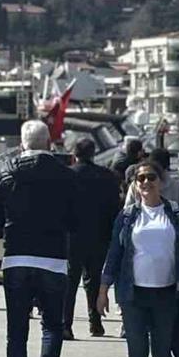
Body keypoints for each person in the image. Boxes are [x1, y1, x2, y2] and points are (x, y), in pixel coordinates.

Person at [0, 120, 78, 357]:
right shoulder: (66, 176)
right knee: (52, 328)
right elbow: (75, 222)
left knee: (16, 335)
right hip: (53, 261)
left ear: (22, 144)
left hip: (17, 260)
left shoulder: (7, 175)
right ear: (49, 143)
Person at [97, 160, 179, 357]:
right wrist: (103, 290)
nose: (146, 183)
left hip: (167, 294)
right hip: (133, 294)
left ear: (161, 182)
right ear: (134, 185)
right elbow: (114, 253)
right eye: (140, 179)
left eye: (151, 177)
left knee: (161, 352)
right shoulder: (128, 216)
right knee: (137, 354)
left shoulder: (176, 214)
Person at [62, 137, 121, 340]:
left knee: (70, 280)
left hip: (72, 236)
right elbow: (114, 207)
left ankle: (66, 324)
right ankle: (95, 322)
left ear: (74, 154)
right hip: (99, 235)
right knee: (94, 279)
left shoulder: (67, 175)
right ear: (93, 154)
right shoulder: (107, 176)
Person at [125, 148, 179, 213]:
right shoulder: (137, 185)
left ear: (166, 168)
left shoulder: (176, 186)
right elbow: (127, 210)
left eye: (153, 177)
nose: (147, 181)